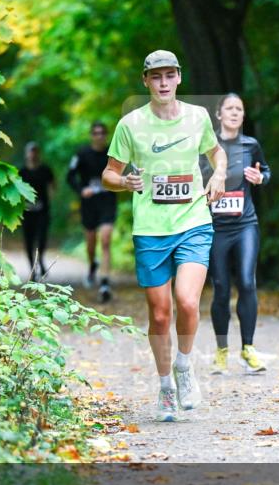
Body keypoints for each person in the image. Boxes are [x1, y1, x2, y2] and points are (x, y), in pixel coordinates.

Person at [102, 50, 227, 422]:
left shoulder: (197, 116)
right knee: (159, 315)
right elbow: (108, 174)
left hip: (193, 220)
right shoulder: (130, 124)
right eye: (155, 77)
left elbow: (217, 153)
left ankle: (185, 367)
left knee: (187, 301)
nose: (163, 83)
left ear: (178, 78)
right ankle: (165, 388)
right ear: (145, 81)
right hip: (151, 228)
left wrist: (219, 174)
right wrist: (124, 181)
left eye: (169, 75)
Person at [199, 93, 271, 374]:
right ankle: (221, 351)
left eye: (239, 108)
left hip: (245, 225)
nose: (234, 112)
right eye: (229, 108)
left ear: (243, 115)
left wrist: (261, 178)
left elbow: (265, 171)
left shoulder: (250, 144)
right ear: (218, 114)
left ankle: (248, 349)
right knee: (220, 289)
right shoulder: (206, 147)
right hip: (215, 227)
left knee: (247, 281)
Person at [67, 121, 116, 302]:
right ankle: (92, 265)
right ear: (91, 135)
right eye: (96, 133)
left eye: (102, 133)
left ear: (106, 135)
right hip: (88, 203)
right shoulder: (82, 154)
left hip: (107, 202)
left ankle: (104, 283)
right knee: (90, 243)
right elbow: (70, 175)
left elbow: (123, 171)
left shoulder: (113, 153)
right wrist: (81, 190)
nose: (99, 136)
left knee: (105, 240)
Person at [18, 141, 54, 280]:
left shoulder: (45, 170)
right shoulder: (21, 172)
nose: (33, 154)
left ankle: (40, 260)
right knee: (28, 241)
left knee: (42, 239)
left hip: (42, 211)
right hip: (26, 212)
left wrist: (49, 199)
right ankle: (32, 269)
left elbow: (52, 185)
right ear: (26, 154)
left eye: (35, 151)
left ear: (38, 153)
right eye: (30, 151)